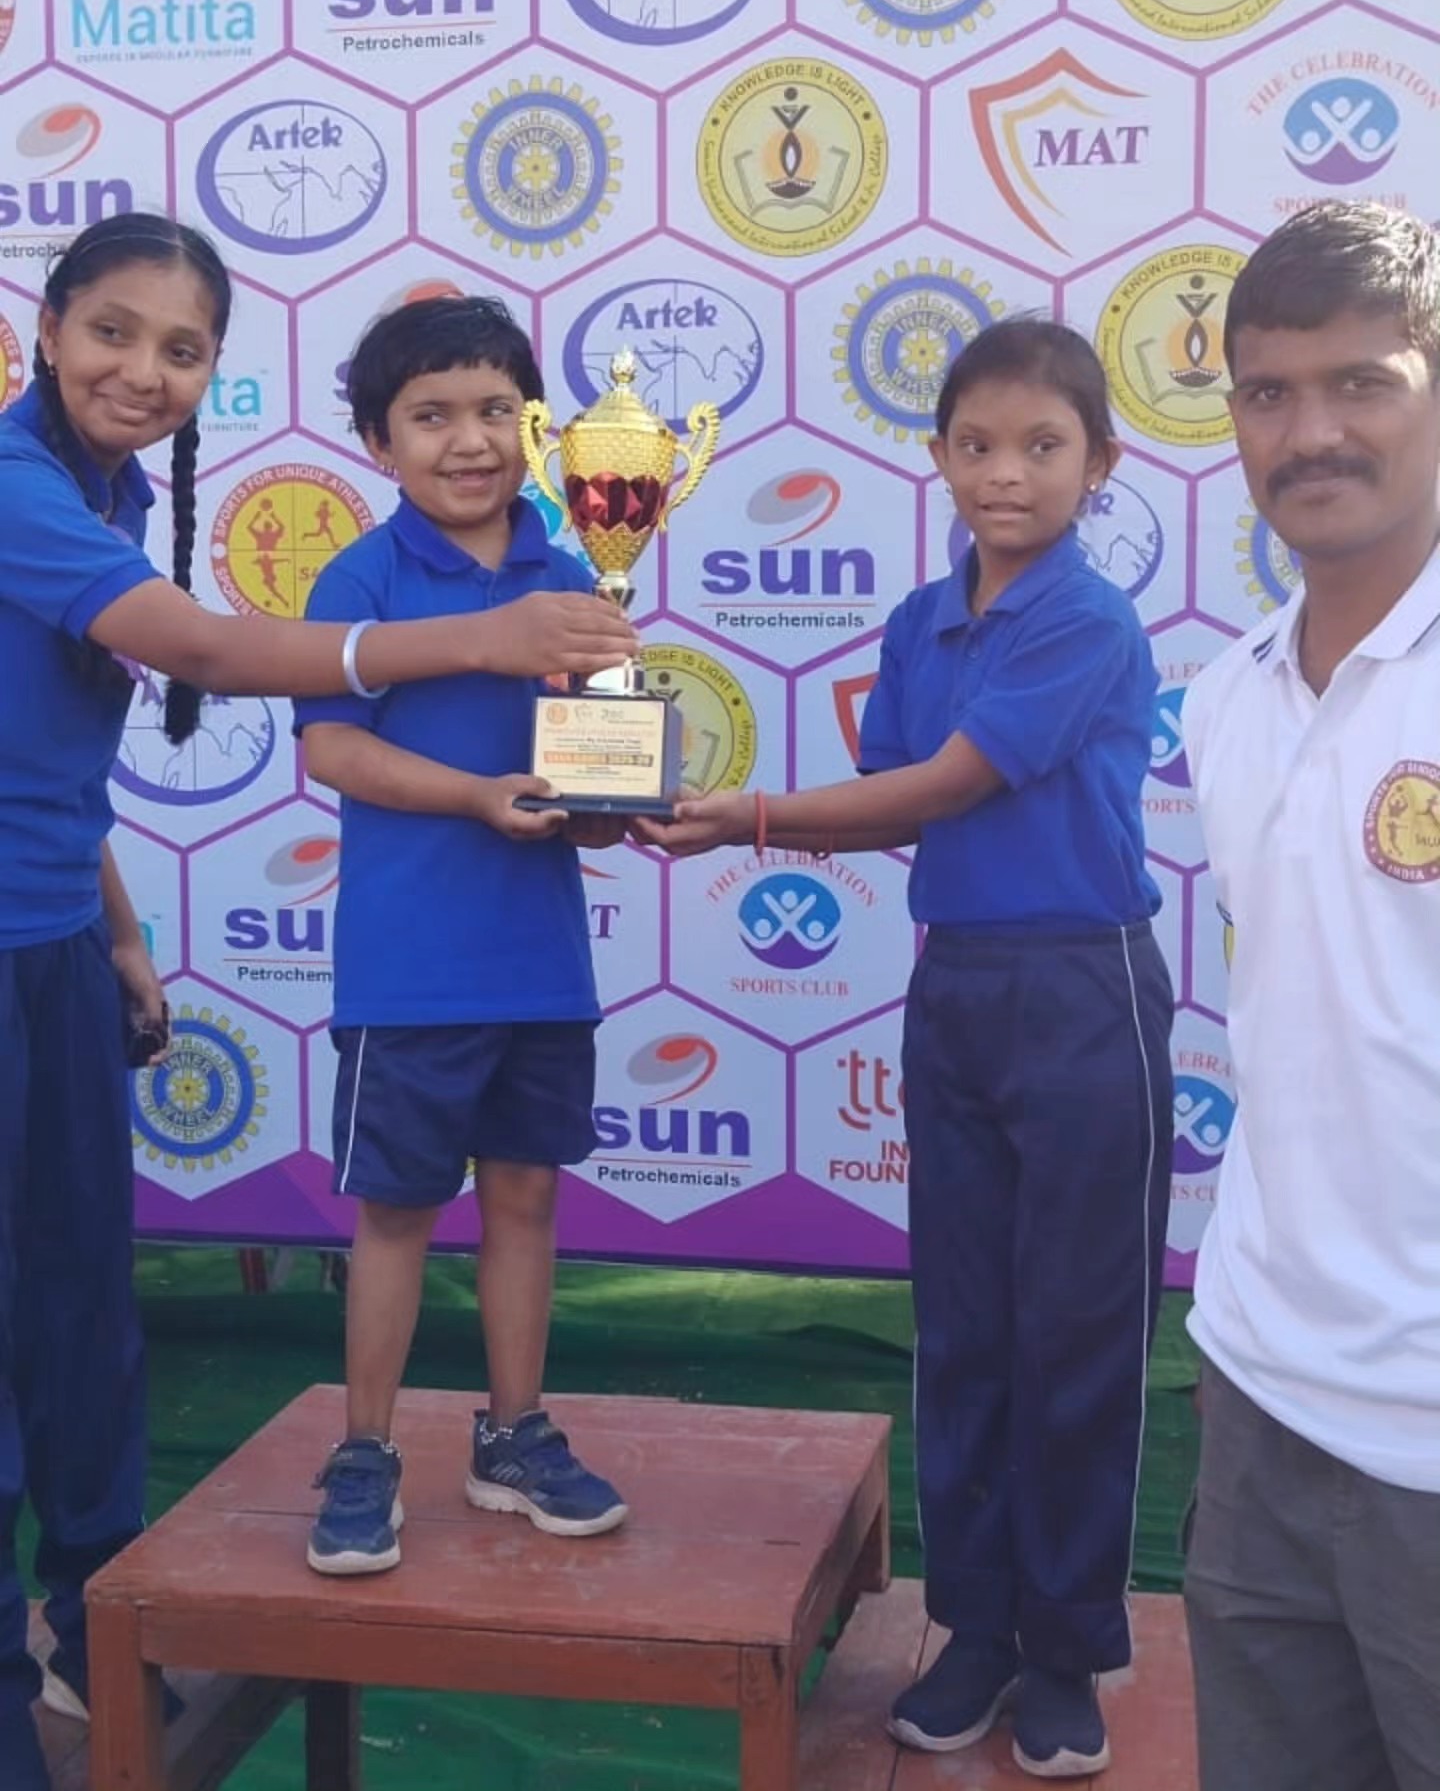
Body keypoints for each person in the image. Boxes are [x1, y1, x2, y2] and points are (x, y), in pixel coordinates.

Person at [0, 216, 635, 1790]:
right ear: (48, 326)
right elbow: (210, 650)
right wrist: (483, 644)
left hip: (57, 944)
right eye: (113, 333)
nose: (143, 372)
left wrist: (121, 935)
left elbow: (39, 768)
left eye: (183, 349)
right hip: (52, 958)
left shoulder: (112, 492)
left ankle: (87, 1623)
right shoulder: (19, 489)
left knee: (83, 1310)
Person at [640, 317, 1174, 1778]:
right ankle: (978, 1628)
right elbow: (893, 792)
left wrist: (741, 818)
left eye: (1043, 446)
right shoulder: (917, 621)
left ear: (1102, 463)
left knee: (1077, 1335)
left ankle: (1068, 1650)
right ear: (937, 456)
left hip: (1085, 991)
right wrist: (705, 801)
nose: (1008, 473)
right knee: (965, 1327)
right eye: (978, 444)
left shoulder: (1087, 621)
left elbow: (937, 788)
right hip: (957, 990)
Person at [294, 295, 629, 1580]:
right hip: (410, 968)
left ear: (534, 430)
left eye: (496, 410)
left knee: (526, 1201)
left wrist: (609, 804)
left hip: (542, 964)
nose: (469, 440)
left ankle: (514, 1435)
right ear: (380, 443)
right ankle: (365, 1450)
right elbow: (334, 750)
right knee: (395, 1214)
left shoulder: (578, 573)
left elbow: (591, 760)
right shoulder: (361, 580)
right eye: (431, 416)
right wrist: (477, 798)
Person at [1179, 201, 1440, 1791]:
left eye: (1364, 384)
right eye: (1270, 392)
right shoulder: (1225, 699)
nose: (1312, 432)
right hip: (1261, 1386)